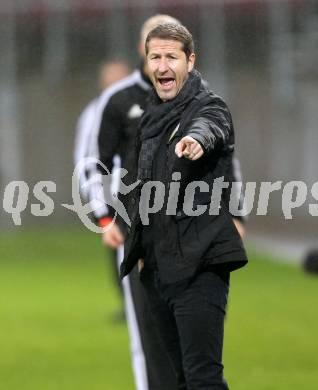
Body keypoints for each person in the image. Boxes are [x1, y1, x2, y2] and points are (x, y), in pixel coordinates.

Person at [119, 23, 248, 389]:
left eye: (171, 57)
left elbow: (212, 126)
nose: (162, 66)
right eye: (155, 57)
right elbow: (141, 188)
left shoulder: (208, 106)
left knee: (203, 377)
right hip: (158, 269)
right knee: (178, 380)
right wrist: (141, 250)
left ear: (190, 61)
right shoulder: (149, 118)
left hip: (199, 265)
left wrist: (196, 140)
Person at [87, 15, 182, 390]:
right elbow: (92, 163)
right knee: (147, 329)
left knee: (195, 326)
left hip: (189, 228)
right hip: (138, 229)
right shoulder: (118, 100)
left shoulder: (200, 96)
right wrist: (104, 217)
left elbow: (225, 157)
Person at [73, 59, 130, 321]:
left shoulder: (143, 107)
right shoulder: (93, 113)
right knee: (118, 249)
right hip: (110, 194)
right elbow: (84, 157)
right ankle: (129, 303)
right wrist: (93, 198)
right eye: (111, 79)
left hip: (146, 192)